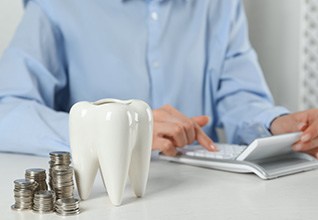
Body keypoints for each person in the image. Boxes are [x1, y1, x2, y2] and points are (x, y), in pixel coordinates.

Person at [0, 0, 317, 158]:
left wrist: (281, 125)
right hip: (103, 199)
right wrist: (108, 130)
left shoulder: (219, 5)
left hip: (208, 196)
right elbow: (7, 111)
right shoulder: (55, 6)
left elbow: (239, 97)